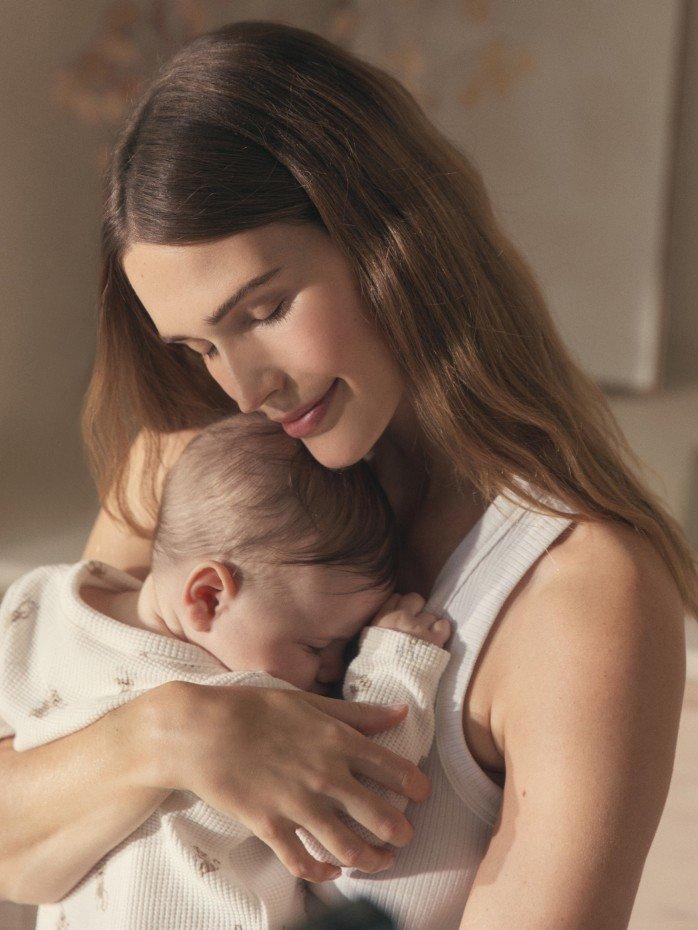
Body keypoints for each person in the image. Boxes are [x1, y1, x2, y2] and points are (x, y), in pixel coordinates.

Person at [0, 19, 693, 930]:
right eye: (201, 345)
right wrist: (178, 730)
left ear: (391, 240)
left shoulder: (579, 597)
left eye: (266, 308)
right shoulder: (188, 476)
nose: (247, 389)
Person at [0, 413, 450, 929]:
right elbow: (362, 817)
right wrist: (397, 664)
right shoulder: (247, 696)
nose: (332, 669)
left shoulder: (37, 609)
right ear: (209, 596)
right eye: (318, 645)